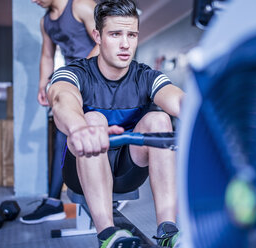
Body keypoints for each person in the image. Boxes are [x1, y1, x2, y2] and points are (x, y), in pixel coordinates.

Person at [46, 0, 184, 247]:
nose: (125, 44)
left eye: (131, 34)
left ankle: (168, 230)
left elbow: (179, 100)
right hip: (80, 169)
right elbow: (60, 98)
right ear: (97, 36)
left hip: (127, 171)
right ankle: (107, 235)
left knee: (160, 120)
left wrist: (216, 113)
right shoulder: (76, 72)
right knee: (93, 119)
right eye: (115, 34)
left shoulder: (146, 76)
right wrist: (79, 128)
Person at [20, 0, 99, 224]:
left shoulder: (81, 5)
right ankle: (54, 202)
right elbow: (47, 55)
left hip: (95, 78)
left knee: (96, 130)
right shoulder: (45, 21)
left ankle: (109, 192)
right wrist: (42, 85)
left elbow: (104, 41)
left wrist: (81, 74)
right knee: (61, 135)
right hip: (72, 82)